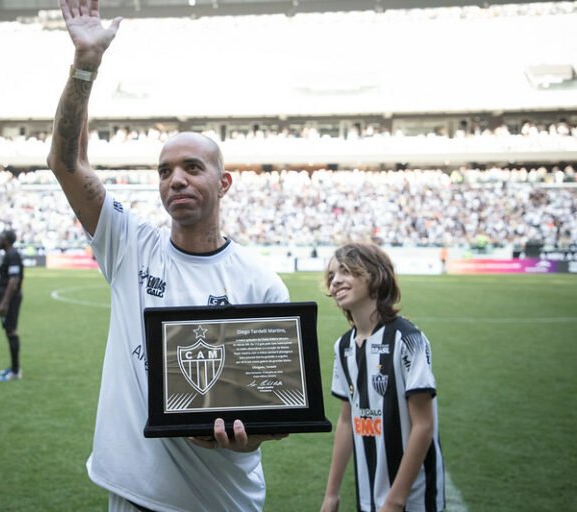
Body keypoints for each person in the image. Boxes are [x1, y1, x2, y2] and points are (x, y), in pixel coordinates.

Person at [46, 1, 290, 510]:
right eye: (164, 171)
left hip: (224, 499)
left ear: (224, 182)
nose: (175, 179)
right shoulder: (130, 245)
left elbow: (278, 409)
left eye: (192, 167)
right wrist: (86, 63)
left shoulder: (260, 282)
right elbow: (66, 163)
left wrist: (249, 436)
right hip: (134, 494)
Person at [320, 242, 445, 512]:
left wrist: (395, 501)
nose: (335, 281)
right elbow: (346, 421)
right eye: (332, 275)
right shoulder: (343, 346)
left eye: (345, 271)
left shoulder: (407, 339)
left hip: (412, 501)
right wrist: (331, 495)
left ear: (375, 276)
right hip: (368, 497)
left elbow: (423, 426)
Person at [0, 229, 24, 382]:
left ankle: (15, 371)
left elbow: (14, 280)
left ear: (6, 240)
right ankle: (12, 368)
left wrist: (5, 302)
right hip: (5, 299)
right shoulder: (7, 253)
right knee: (8, 331)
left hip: (10, 300)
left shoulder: (12, 254)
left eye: (0, 237)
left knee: (11, 332)